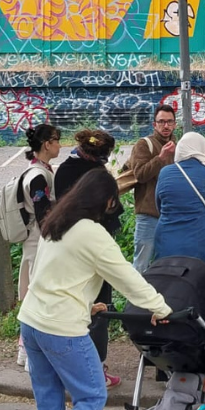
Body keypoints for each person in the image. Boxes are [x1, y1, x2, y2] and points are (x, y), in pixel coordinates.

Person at [18, 169, 172, 410]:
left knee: (49, 399)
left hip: (31, 321)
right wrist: (161, 308)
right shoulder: (93, 233)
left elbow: (44, 273)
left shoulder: (56, 221)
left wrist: (85, 305)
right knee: (91, 397)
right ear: (106, 201)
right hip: (61, 328)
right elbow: (127, 278)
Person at [54, 128, 120, 386]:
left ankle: (70, 370)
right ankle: (96, 371)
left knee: (74, 308)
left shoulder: (64, 170)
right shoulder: (98, 175)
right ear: (102, 154)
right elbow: (113, 210)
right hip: (95, 248)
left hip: (69, 249)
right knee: (99, 309)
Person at [153, 132, 205, 305]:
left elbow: (159, 206)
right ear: (201, 149)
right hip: (201, 241)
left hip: (167, 242)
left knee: (170, 292)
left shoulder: (165, 172)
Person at [17, 123, 63, 369]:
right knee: (36, 297)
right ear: (47, 144)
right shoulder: (38, 176)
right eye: (57, 140)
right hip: (39, 244)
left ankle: (28, 355)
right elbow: (43, 212)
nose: (59, 145)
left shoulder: (39, 170)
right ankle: (32, 359)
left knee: (32, 296)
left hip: (34, 242)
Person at [118, 104, 177, 271]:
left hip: (170, 215)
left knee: (166, 264)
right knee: (141, 265)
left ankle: (161, 296)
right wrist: (161, 157)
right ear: (154, 124)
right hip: (148, 214)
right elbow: (141, 175)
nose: (166, 126)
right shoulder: (144, 145)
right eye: (161, 122)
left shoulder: (177, 145)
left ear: (175, 124)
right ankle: (135, 298)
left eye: (169, 122)